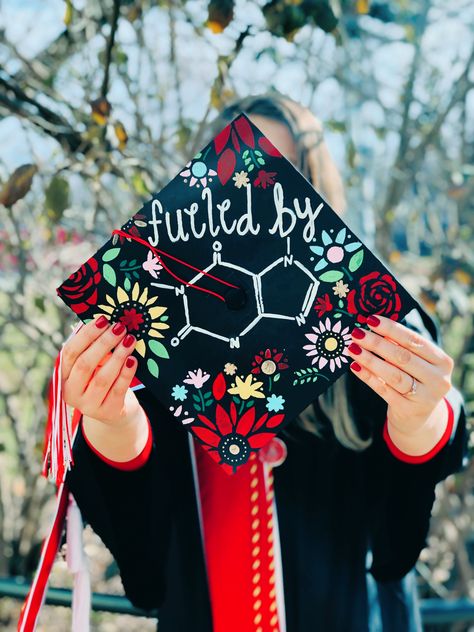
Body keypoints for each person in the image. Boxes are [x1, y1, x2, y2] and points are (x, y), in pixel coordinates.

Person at [60, 94, 468, 632]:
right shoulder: (155, 315)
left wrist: (421, 416)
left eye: (284, 172)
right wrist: (109, 415)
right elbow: (139, 515)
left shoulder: (363, 317)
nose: (256, 191)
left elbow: (409, 493)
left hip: (347, 612)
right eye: (236, 172)